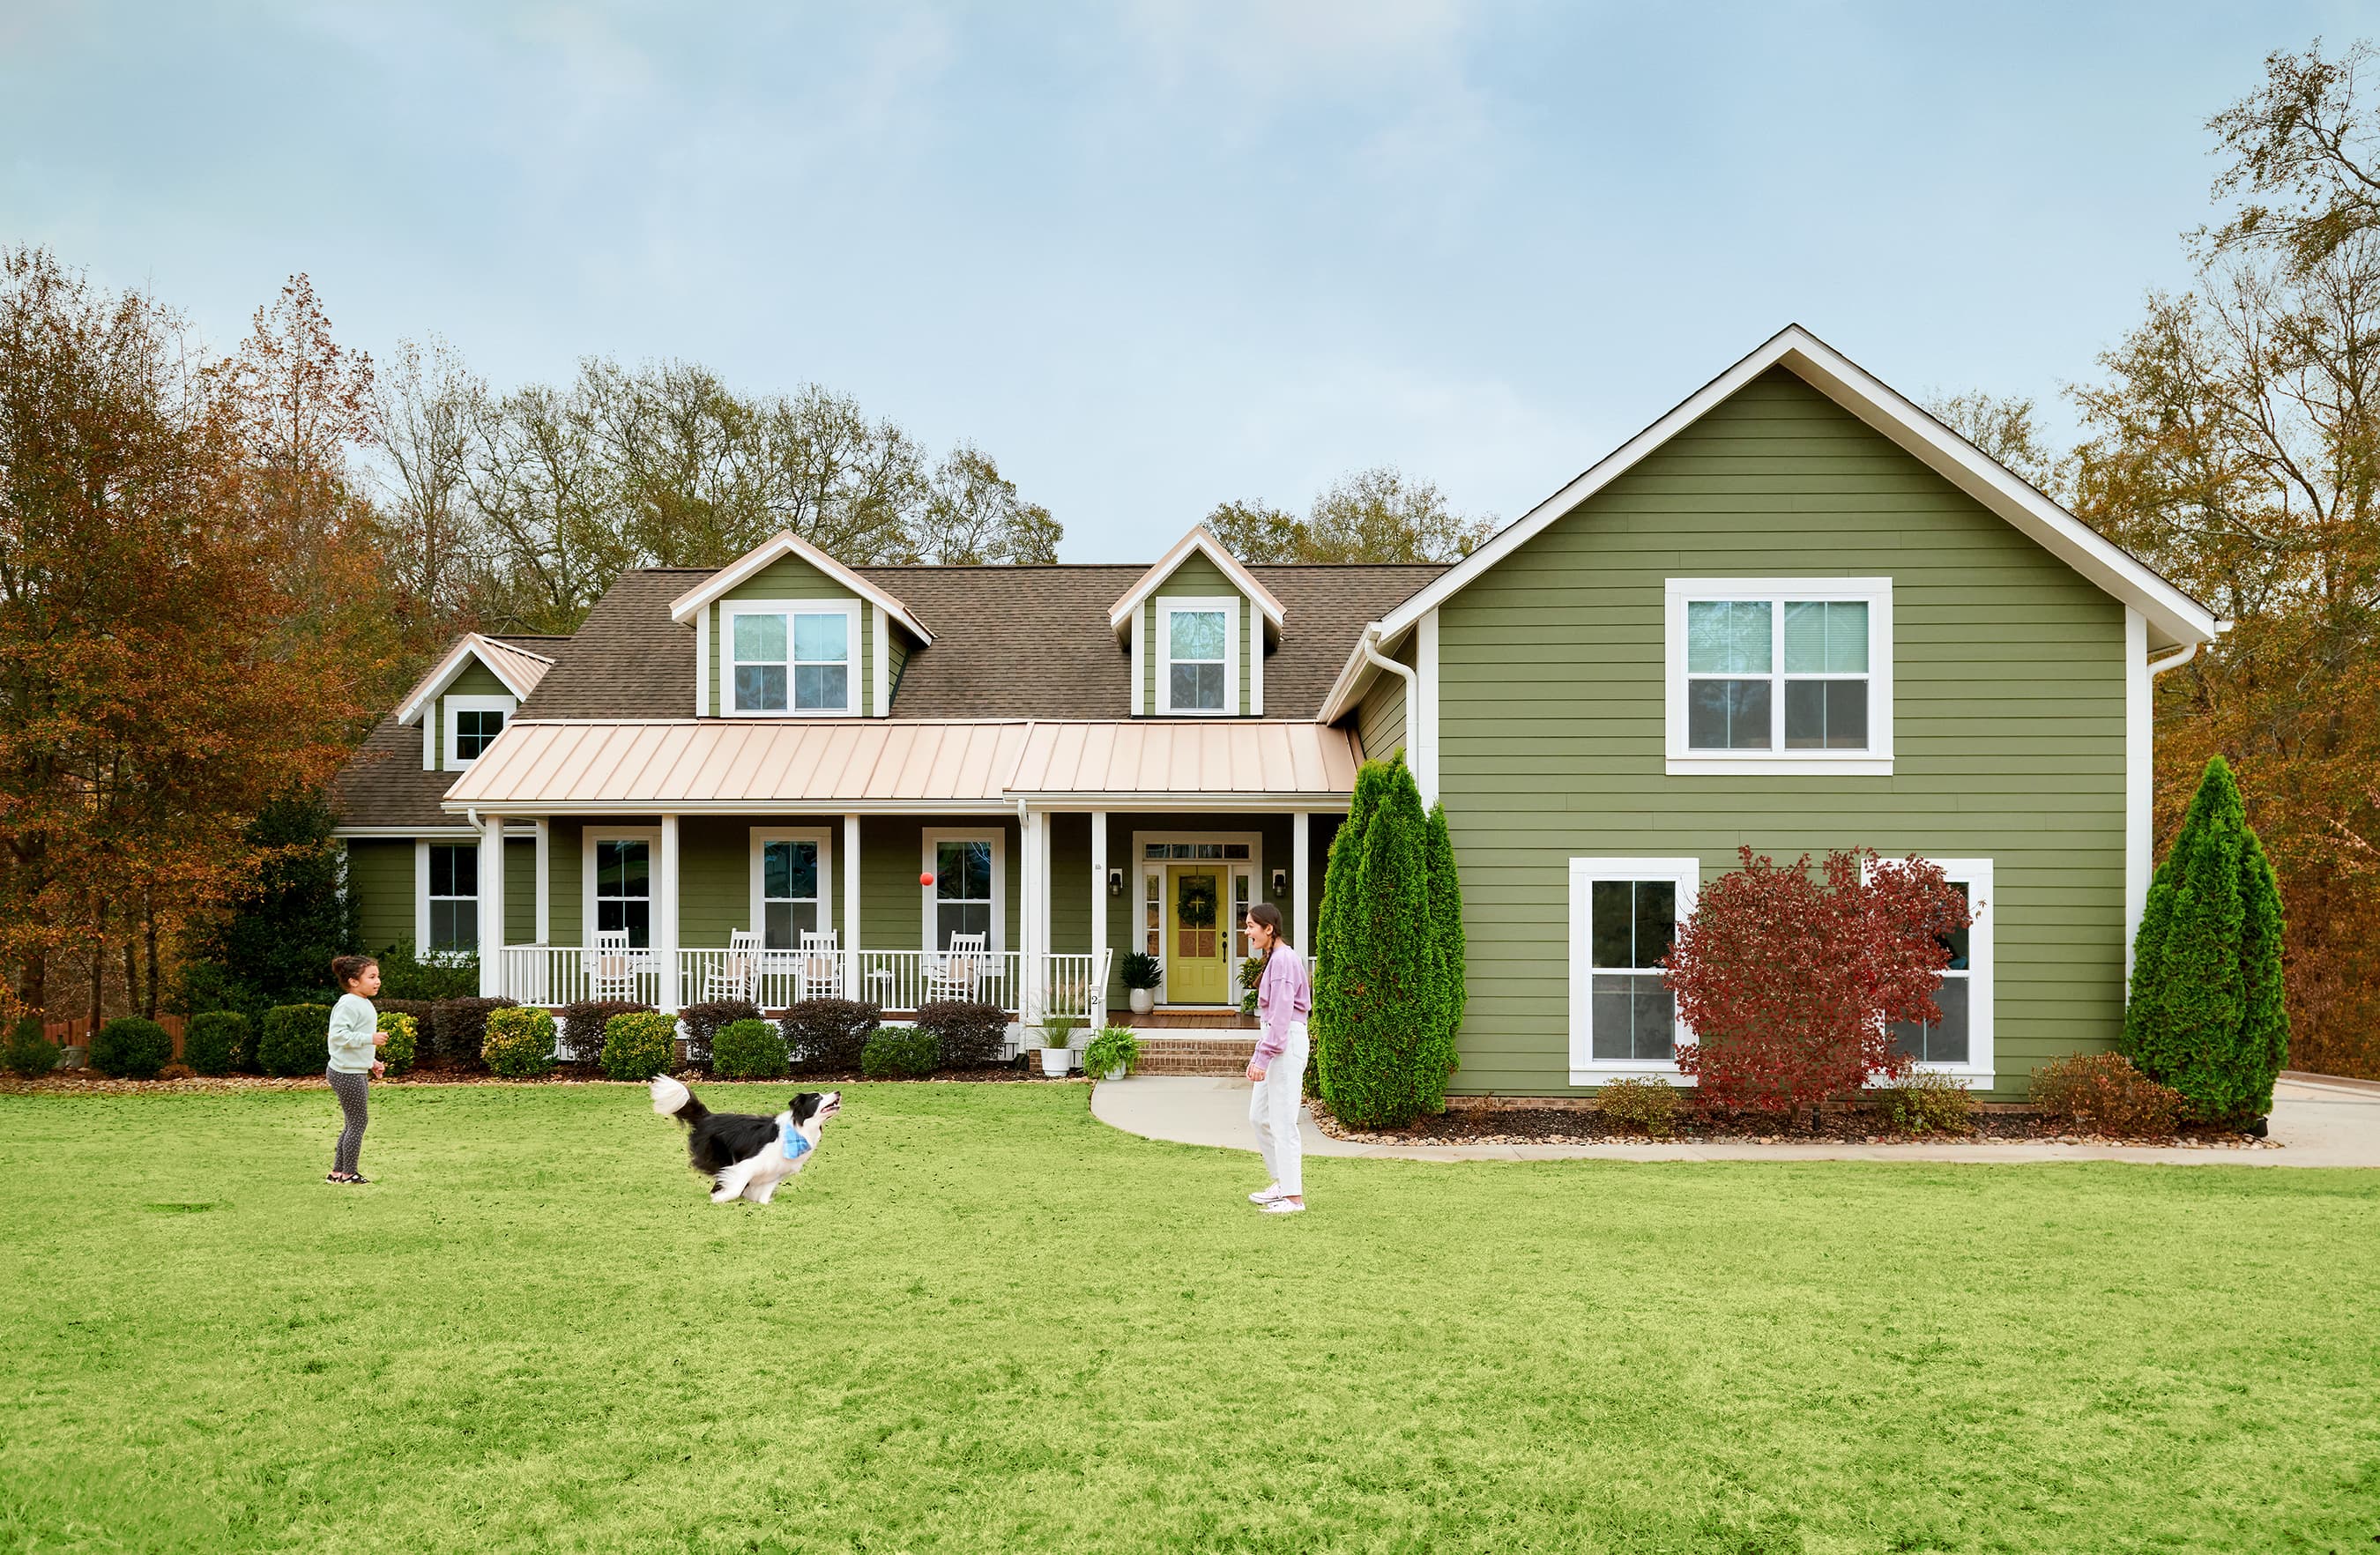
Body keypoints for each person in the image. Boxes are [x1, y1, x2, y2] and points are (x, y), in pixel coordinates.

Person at [1243, 903, 1312, 1214]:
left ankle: (1294, 1198)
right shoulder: (1276, 958)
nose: (1247, 933)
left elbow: (1282, 1015)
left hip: (1286, 1043)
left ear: (1268, 928)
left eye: (1251, 926)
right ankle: (1282, 1183)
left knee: (1284, 1122)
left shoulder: (1284, 960)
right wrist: (1261, 1053)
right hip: (1276, 1041)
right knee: (1259, 1117)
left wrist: (1263, 1057)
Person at [324, 954, 385, 1184]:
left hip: (353, 1070)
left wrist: (371, 1061)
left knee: (353, 1123)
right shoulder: (349, 1003)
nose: (377, 981)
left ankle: (337, 1173)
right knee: (358, 1123)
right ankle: (349, 1173)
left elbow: (352, 1042)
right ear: (353, 981)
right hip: (346, 1073)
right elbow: (339, 1037)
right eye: (371, 977)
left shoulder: (361, 1003)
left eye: (378, 976)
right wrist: (370, 1038)